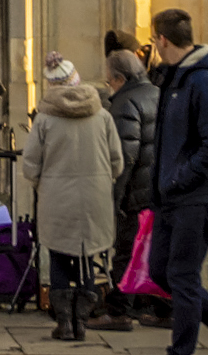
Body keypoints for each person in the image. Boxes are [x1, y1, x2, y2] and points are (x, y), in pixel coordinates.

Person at [139, 8, 208, 355]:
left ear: (163, 40)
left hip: (197, 196)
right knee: (160, 271)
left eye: (155, 41)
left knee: (183, 276)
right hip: (172, 196)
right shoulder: (176, 78)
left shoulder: (203, 81)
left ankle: (182, 351)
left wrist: (179, 177)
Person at [20, 57, 124, 341]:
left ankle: (64, 323)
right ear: (77, 80)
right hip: (95, 198)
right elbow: (117, 161)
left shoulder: (44, 119)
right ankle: (82, 323)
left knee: (58, 256)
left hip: (57, 198)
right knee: (88, 256)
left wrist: (46, 183)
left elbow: (30, 165)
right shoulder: (102, 116)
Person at [99, 32, 161, 326]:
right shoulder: (157, 94)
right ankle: (163, 309)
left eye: (109, 80)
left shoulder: (125, 102)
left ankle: (119, 311)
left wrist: (116, 197)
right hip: (158, 190)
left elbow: (125, 156)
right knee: (153, 252)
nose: (109, 87)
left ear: (120, 78)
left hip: (136, 193)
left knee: (126, 252)